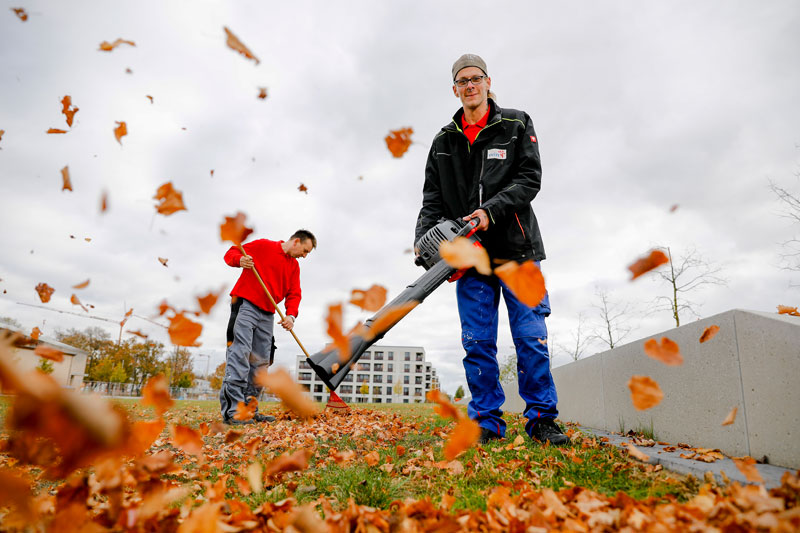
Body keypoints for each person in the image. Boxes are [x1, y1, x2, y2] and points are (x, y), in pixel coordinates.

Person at [415, 54, 568, 445]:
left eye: (476, 79)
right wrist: (422, 240)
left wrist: (490, 212)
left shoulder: (516, 124)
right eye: (462, 81)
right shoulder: (443, 141)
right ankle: (486, 420)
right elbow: (432, 199)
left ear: (487, 82)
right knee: (477, 342)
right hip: (469, 260)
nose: (470, 86)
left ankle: (542, 420)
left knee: (530, 336)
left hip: (517, 249)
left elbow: (530, 179)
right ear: (455, 89)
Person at [219, 229, 316, 424]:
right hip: (245, 305)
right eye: (305, 251)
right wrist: (240, 261)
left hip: (268, 313)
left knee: (261, 363)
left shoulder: (294, 267)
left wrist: (291, 315)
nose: (304, 256)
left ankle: (250, 410)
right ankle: (233, 412)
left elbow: (294, 293)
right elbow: (231, 252)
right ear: (296, 241)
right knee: (240, 354)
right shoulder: (264, 246)